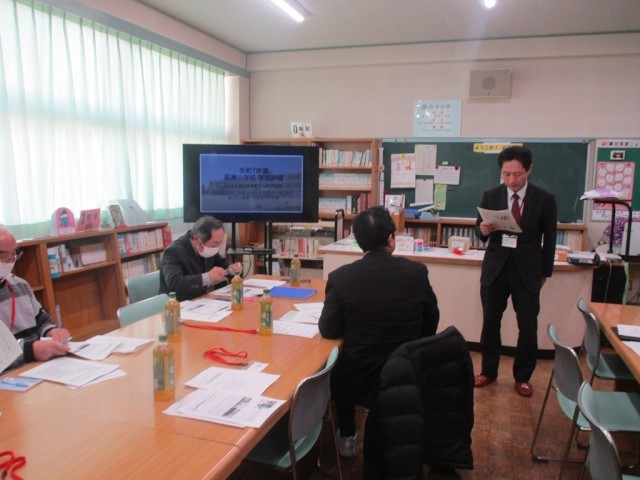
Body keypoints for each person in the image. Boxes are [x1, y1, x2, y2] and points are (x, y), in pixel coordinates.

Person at [318, 206, 440, 457]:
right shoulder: (417, 272)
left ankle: (347, 436)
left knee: (338, 367)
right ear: (391, 239)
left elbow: (329, 330)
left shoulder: (341, 278)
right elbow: (431, 321)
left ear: (359, 242)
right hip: (405, 371)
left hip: (358, 377)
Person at [474, 146, 557, 397]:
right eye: (506, 174)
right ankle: (488, 371)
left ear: (529, 170)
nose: (512, 180)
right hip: (496, 268)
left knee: (528, 326)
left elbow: (550, 239)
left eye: (517, 174)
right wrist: (483, 230)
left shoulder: (544, 198)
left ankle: (523, 376)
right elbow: (479, 229)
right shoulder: (491, 194)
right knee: (490, 322)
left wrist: (545, 272)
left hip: (527, 270)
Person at [0, 227, 70, 372]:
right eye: (2, 255)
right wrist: (31, 350)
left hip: (37, 367)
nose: (9, 261)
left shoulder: (20, 285)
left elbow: (42, 321)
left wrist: (51, 331)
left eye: (14, 254)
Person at [159, 215, 242, 301]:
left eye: (219, 243)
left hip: (200, 299)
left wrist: (232, 268)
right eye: (214, 244)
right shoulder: (173, 251)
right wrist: (207, 277)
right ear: (196, 239)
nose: (216, 248)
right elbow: (175, 283)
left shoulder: (207, 248)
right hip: (176, 303)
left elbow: (221, 262)